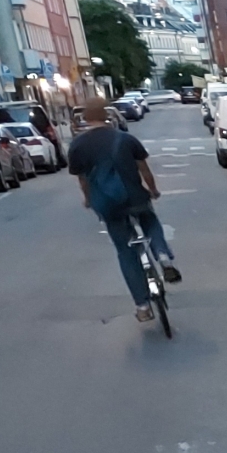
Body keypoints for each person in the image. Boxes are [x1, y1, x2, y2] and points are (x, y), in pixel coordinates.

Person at [66, 98, 181, 322]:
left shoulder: (77, 146)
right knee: (149, 221)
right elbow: (144, 169)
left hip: (108, 205)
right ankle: (163, 256)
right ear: (107, 115)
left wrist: (89, 201)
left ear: (85, 118)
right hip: (135, 197)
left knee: (125, 252)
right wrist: (153, 189)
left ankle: (142, 306)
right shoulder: (125, 139)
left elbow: (83, 180)